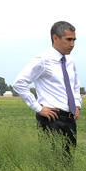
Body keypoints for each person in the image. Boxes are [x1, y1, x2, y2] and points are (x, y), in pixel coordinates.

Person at [12, 21, 81, 152]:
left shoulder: (70, 61)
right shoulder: (42, 60)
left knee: (68, 163)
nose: (72, 44)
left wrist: (77, 104)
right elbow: (19, 83)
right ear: (55, 38)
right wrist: (38, 108)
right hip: (51, 118)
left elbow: (75, 85)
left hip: (70, 119)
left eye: (74, 40)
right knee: (52, 162)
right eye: (68, 39)